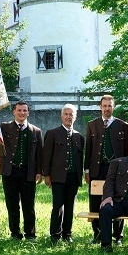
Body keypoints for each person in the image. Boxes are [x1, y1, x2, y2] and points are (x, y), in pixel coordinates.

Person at [85, 95, 128, 245]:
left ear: (113, 107)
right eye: (104, 106)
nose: (106, 108)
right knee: (95, 201)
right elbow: (89, 150)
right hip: (97, 169)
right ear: (100, 107)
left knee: (117, 199)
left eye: (109, 106)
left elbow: (127, 151)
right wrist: (87, 170)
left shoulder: (123, 126)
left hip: (118, 171)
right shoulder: (92, 125)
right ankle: (98, 234)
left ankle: (118, 236)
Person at [0, 101, 43, 240]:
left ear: (28, 113)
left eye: (24, 110)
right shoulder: (5, 127)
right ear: (14, 111)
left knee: (28, 205)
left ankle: (30, 234)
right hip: (10, 172)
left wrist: (39, 171)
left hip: (28, 173)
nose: (22, 113)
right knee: (12, 205)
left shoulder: (36, 131)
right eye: (19, 110)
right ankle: (15, 233)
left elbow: (39, 153)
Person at [42, 104, 85, 243]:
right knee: (58, 206)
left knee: (70, 207)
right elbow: (46, 156)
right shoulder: (52, 133)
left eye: (71, 114)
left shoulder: (79, 137)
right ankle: (55, 235)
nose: (68, 117)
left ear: (75, 117)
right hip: (58, 177)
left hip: (74, 177)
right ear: (61, 116)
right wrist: (47, 175)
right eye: (66, 114)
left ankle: (67, 235)